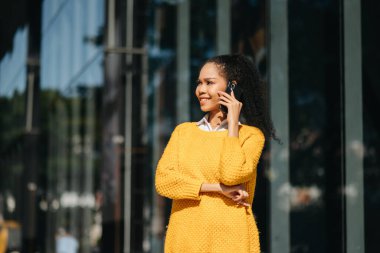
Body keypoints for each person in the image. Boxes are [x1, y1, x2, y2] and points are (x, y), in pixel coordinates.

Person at [155, 54, 277, 253]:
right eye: (199, 83)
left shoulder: (251, 136)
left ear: (232, 87)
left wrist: (233, 124)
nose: (201, 90)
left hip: (231, 240)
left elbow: (231, 174)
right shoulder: (183, 132)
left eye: (209, 83)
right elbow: (164, 182)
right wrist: (217, 189)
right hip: (184, 239)